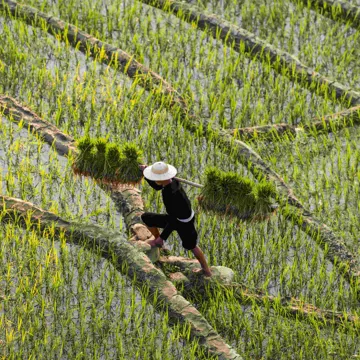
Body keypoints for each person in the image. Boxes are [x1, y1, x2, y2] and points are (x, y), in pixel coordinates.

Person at [139, 162, 212, 277]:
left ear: (161, 179)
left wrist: (163, 237)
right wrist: (145, 171)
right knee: (146, 218)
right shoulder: (172, 181)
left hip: (184, 222)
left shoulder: (171, 194)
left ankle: (206, 270)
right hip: (175, 217)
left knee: (191, 246)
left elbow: (173, 220)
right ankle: (158, 242)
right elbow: (157, 186)